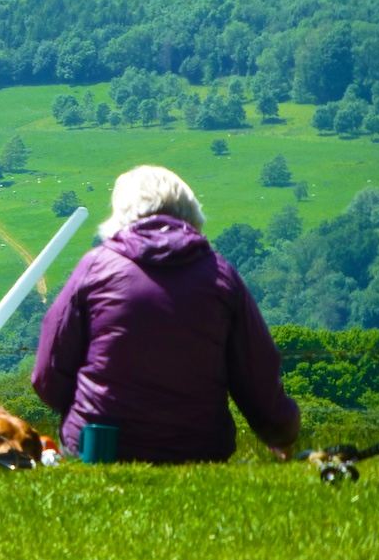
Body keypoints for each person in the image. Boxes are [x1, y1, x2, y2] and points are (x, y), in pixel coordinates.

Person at [32, 165, 299, 463]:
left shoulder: (96, 267)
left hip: (101, 448)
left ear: (120, 214)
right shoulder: (220, 275)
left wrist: (85, 409)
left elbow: (47, 375)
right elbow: (258, 377)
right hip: (198, 454)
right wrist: (282, 434)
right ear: (191, 212)